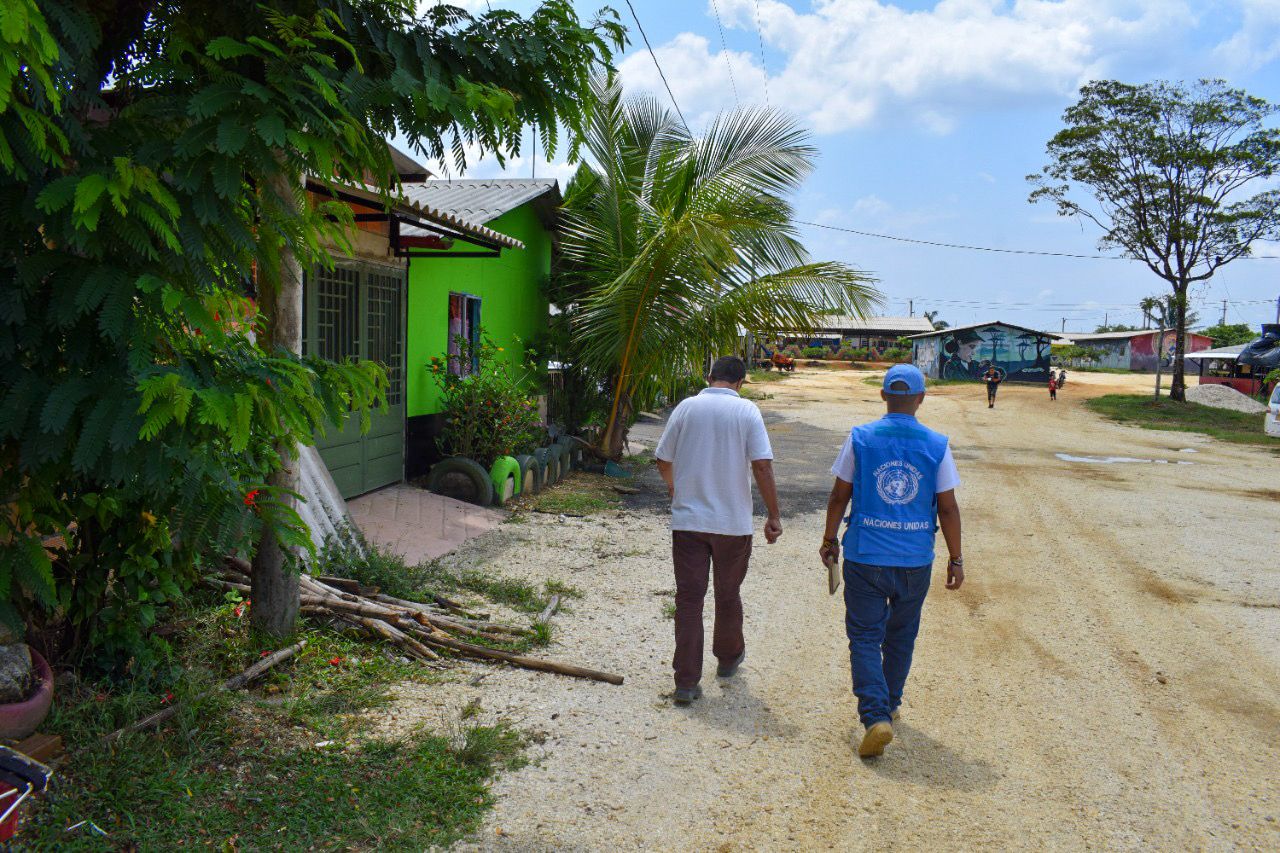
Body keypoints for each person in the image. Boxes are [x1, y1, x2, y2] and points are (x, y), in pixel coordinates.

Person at [819, 364, 964, 758]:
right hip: (916, 560)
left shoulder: (861, 438)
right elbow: (948, 509)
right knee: (901, 635)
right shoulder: (936, 444)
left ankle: (875, 715)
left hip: (866, 556)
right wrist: (956, 558)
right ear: (921, 399)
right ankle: (891, 702)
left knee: (865, 636)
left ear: (883, 396)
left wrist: (830, 539)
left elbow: (838, 495)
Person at [655, 356, 782, 706]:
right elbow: (762, 465)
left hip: (688, 523)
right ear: (741, 382)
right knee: (728, 594)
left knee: (689, 600)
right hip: (732, 525)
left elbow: (663, 459)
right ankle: (727, 660)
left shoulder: (685, 408)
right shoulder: (747, 412)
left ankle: (686, 682)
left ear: (709, 377)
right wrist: (774, 514)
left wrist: (673, 488)